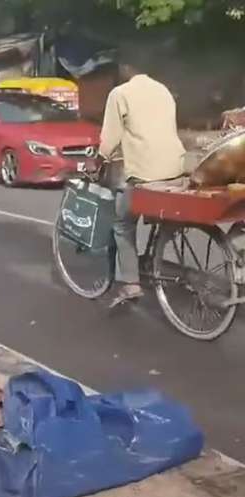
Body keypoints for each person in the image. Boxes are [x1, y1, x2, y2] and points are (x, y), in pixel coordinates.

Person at [99, 51, 186, 308]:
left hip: (145, 174)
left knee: (122, 223)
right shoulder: (163, 90)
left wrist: (99, 158)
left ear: (126, 67)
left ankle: (130, 284)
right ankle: (156, 252)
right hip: (176, 169)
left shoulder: (120, 93)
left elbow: (109, 140)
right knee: (160, 215)